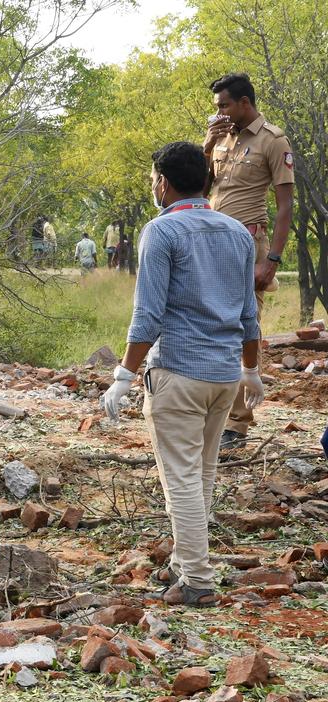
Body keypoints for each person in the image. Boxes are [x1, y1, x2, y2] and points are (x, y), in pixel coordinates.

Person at [101, 141, 262, 606]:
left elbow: (148, 314)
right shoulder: (237, 233)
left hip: (179, 373)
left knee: (182, 479)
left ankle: (196, 578)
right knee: (203, 474)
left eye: (155, 179)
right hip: (223, 375)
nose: (154, 186)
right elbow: (250, 314)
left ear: (165, 184)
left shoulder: (162, 231)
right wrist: (250, 369)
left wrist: (123, 376)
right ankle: (183, 564)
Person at [203, 73, 295, 449]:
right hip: (209, 240)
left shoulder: (272, 140)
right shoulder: (220, 138)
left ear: (244, 102)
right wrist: (207, 146)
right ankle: (214, 410)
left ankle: (238, 424)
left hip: (247, 242)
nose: (219, 113)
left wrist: (271, 259)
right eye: (216, 108)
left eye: (224, 105)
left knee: (244, 326)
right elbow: (202, 189)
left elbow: (285, 204)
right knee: (209, 322)